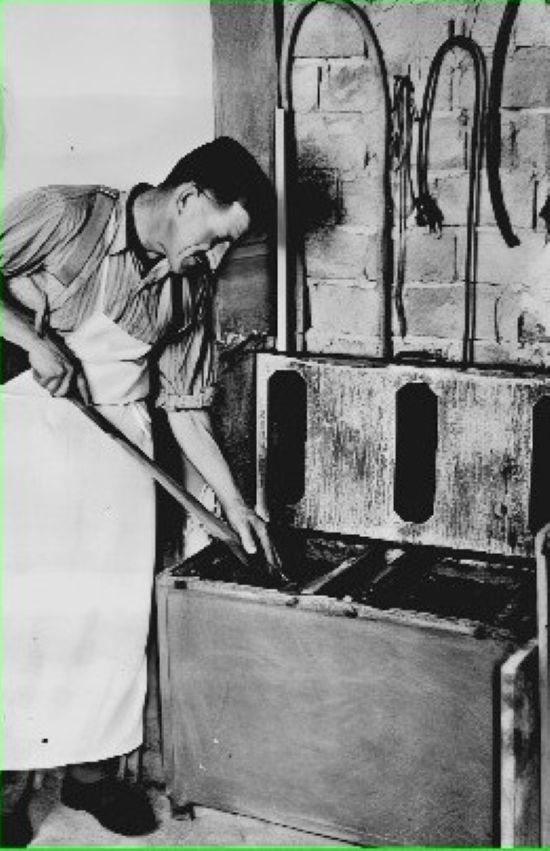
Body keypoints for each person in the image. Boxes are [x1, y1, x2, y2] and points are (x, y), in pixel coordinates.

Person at [0, 137, 280, 846]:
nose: (217, 256)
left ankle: (91, 776)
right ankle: (6, 786)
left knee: (109, 616)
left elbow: (185, 407)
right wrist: (33, 342)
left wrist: (233, 503)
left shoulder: (190, 287)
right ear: (186, 199)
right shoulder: (67, 216)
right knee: (21, 612)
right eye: (218, 236)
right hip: (28, 429)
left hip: (115, 453)